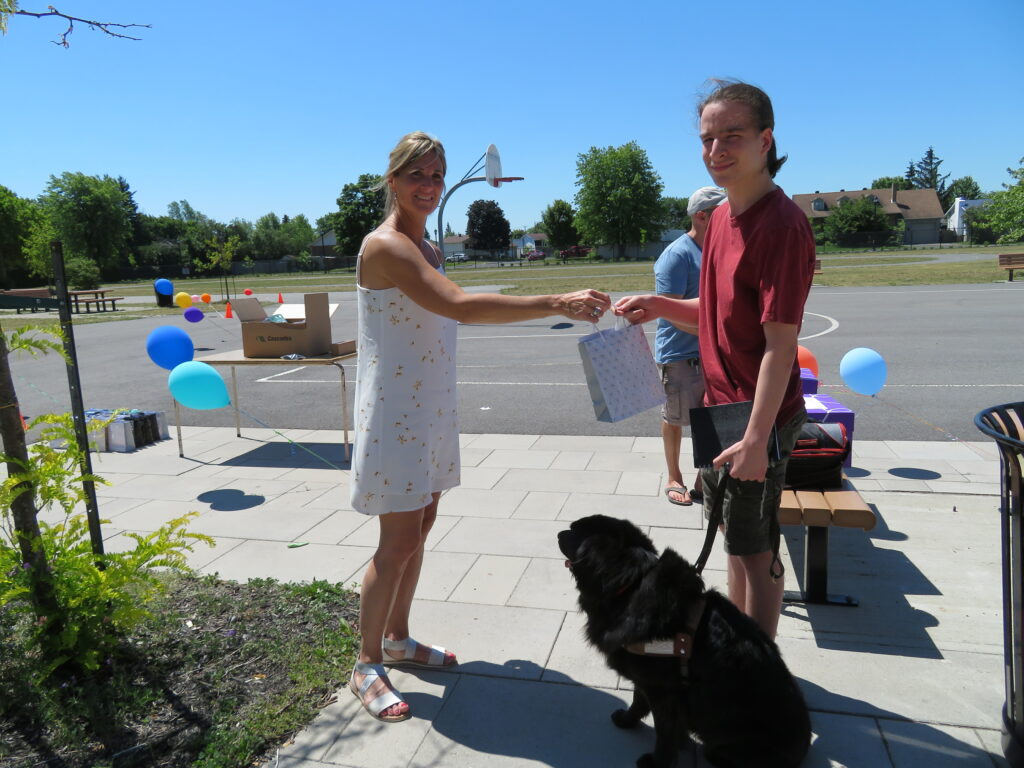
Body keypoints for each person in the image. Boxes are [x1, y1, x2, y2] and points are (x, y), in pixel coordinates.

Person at [349, 131, 611, 722]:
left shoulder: (430, 249)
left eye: (437, 175)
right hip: (395, 417)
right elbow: (461, 307)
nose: (430, 186)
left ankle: (397, 637)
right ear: (392, 179)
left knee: (420, 530)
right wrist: (555, 302)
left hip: (430, 410)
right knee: (395, 546)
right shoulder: (386, 247)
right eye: (418, 174)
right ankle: (367, 664)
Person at [614, 81, 816, 640]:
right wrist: (657, 305)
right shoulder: (722, 218)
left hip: (759, 415)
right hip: (718, 406)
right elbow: (717, 311)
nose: (716, 149)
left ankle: (759, 671)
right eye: (707, 139)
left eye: (732, 136)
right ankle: (732, 643)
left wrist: (756, 438)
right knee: (729, 531)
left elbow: (780, 345)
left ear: (765, 140)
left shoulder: (782, 226)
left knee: (756, 547)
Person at [654, 186, 726, 507]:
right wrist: (706, 334)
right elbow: (669, 312)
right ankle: (673, 476)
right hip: (680, 353)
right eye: (722, 213)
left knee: (707, 416)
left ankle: (701, 477)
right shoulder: (676, 256)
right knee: (675, 418)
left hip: (711, 351)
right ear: (702, 215)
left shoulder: (717, 248)